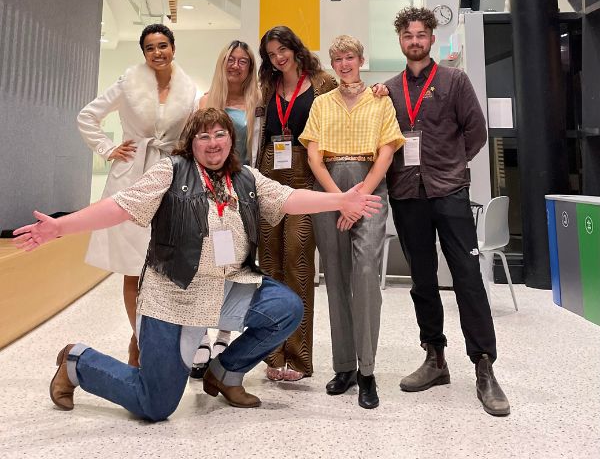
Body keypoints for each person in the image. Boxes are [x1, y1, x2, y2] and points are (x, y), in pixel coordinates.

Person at [13, 108, 383, 421]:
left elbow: (288, 198)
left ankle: (224, 373)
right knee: (155, 404)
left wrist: (339, 200)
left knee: (285, 307)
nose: (213, 143)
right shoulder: (170, 172)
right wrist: (60, 227)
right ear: (191, 143)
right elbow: (119, 206)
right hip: (174, 295)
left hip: (228, 286)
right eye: (203, 137)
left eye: (220, 134)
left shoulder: (246, 178)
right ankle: (78, 362)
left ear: (230, 140)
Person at [382, 6, 510, 417]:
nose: (415, 41)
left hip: (450, 192)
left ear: (432, 38)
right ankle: (435, 358)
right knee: (421, 279)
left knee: (468, 278)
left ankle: (484, 367)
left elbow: (476, 132)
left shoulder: (455, 81)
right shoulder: (388, 90)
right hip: (406, 193)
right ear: (400, 41)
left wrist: (453, 165)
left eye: (421, 34)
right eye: (408, 36)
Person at [77, 23, 197, 366]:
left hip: (170, 180)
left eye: (163, 45)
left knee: (164, 267)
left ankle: (147, 340)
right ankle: (140, 343)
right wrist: (108, 148)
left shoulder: (189, 90)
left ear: (173, 47)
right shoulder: (128, 82)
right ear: (143, 53)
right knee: (134, 266)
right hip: (131, 178)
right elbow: (88, 116)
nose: (157, 52)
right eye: (150, 48)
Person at [300, 35, 405, 409]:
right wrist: (339, 200)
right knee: (335, 277)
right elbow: (314, 158)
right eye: (338, 58)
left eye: (350, 57)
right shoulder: (321, 104)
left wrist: (357, 199)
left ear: (361, 59)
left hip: (368, 186)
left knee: (363, 274)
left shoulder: (380, 101)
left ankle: (367, 371)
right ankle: (344, 366)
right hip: (328, 187)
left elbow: (387, 153)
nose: (344, 64)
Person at [256, 25, 337, 382]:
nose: (278, 58)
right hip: (268, 178)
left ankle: (300, 361)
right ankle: (273, 355)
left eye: (282, 50)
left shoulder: (323, 82)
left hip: (305, 179)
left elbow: (351, 104)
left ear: (295, 46)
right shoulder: (267, 89)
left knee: (298, 261)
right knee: (269, 267)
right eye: (272, 55)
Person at [190, 39, 261, 378]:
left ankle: (224, 334)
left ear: (250, 68)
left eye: (243, 61)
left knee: (235, 266)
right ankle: (201, 336)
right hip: (208, 195)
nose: (236, 66)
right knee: (207, 265)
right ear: (222, 63)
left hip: (242, 194)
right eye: (231, 59)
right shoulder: (204, 101)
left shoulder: (257, 103)